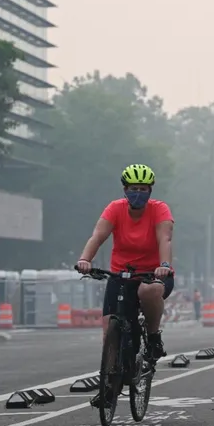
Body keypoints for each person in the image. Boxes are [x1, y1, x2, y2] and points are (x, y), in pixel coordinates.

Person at [76, 163, 175, 408]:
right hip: (120, 275)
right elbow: (97, 236)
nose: (138, 193)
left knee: (149, 290)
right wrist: (84, 260)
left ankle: (153, 339)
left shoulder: (159, 209)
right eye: (133, 188)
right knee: (111, 328)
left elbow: (165, 238)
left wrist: (163, 264)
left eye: (143, 189)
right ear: (124, 189)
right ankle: (110, 387)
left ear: (150, 190)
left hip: (152, 273)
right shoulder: (115, 209)